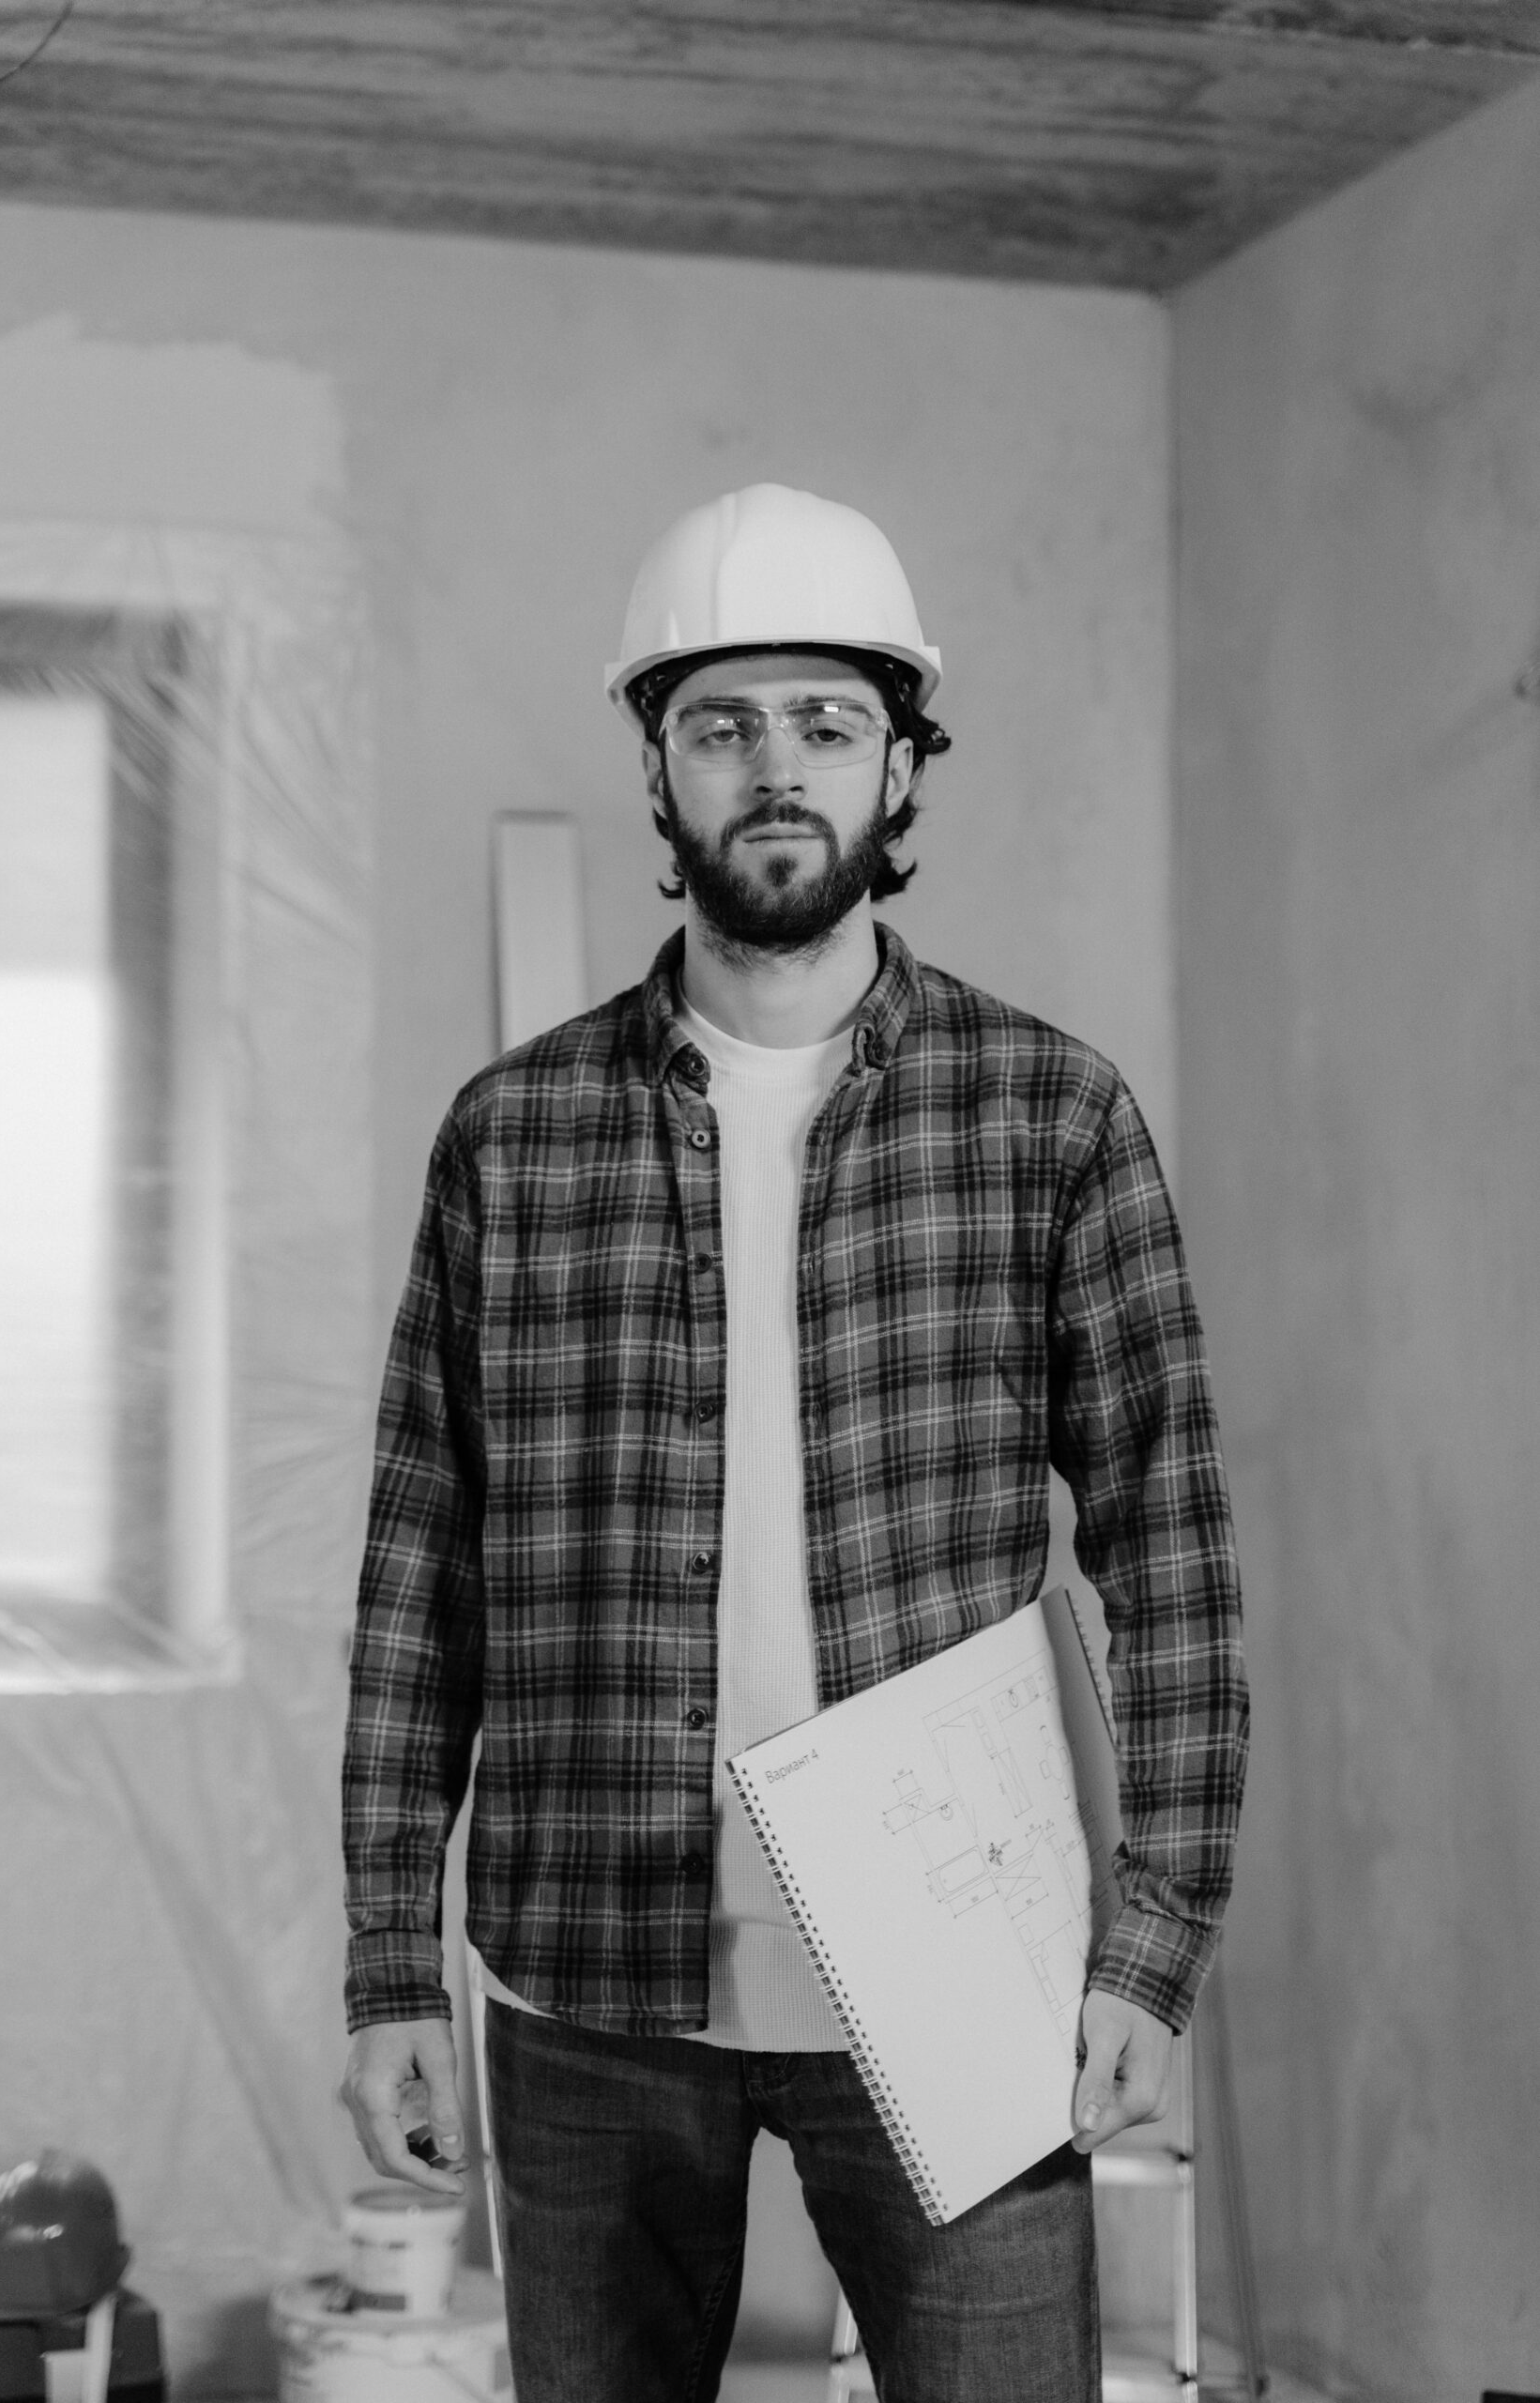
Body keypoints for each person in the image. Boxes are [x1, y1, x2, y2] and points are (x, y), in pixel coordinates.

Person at [340, 482, 1248, 2403]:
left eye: (826, 723)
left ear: (897, 765)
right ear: (655, 768)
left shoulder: (1046, 1113)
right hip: (583, 1969)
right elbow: (420, 1574)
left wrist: (1146, 1940)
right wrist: (382, 1965)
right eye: (721, 723)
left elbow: (1167, 1543)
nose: (775, 768)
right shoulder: (510, 1136)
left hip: (955, 1973)